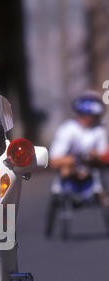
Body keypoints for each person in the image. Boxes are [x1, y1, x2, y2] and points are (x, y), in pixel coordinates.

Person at [46, 90, 109, 236]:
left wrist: (95, 157)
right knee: (65, 169)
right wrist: (74, 160)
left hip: (90, 168)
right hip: (70, 167)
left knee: (100, 179)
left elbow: (104, 156)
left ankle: (103, 199)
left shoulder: (98, 130)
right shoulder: (67, 129)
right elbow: (55, 160)